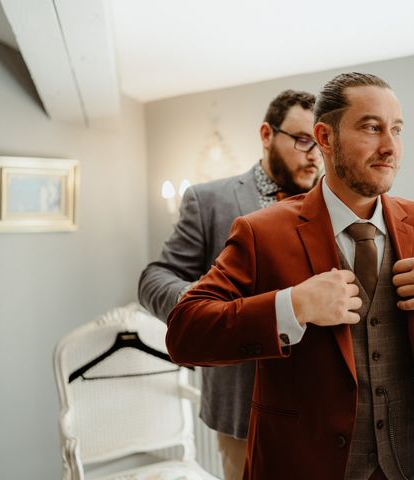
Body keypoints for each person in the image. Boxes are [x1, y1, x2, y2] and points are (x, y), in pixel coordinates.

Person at [165, 73, 414, 480]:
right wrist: (293, 306)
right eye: (372, 127)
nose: (390, 146)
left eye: (396, 130)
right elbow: (185, 332)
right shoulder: (261, 233)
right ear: (324, 137)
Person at [138, 89, 321, 480]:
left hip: (320, 407)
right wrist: (198, 304)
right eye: (302, 140)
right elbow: (154, 277)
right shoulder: (209, 200)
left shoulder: (330, 205)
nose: (314, 154)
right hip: (242, 405)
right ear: (267, 135)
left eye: (321, 141)